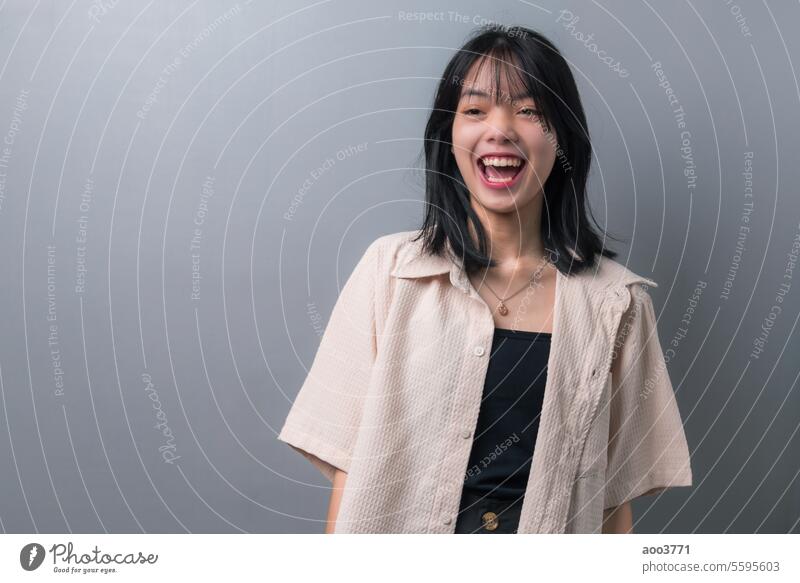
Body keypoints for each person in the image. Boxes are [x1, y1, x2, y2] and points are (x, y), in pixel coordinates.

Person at [277, 24, 692, 534]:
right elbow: (349, 471)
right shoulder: (389, 275)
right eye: (474, 110)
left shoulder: (617, 305)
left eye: (529, 110)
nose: (500, 130)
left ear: (561, 137)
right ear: (448, 136)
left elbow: (611, 504)